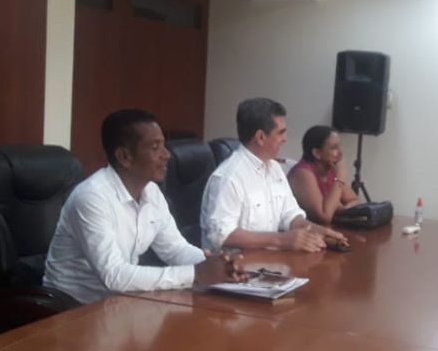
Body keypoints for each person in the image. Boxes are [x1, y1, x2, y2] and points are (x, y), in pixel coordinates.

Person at [44, 109, 244, 304]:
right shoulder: (92, 198)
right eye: (155, 147)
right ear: (125, 156)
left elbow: (174, 249)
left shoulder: (152, 192)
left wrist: (217, 263)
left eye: (164, 145)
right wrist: (196, 273)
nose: (167, 155)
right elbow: (114, 275)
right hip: (72, 307)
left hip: (120, 301)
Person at [201, 98, 347, 252]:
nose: (285, 139)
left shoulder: (275, 168)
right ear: (260, 137)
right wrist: (281, 240)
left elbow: (290, 215)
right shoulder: (228, 177)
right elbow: (221, 234)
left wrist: (314, 230)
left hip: (271, 261)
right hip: (235, 265)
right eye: (280, 133)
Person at [287, 125, 359, 224]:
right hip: (309, 231)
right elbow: (324, 217)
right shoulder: (302, 173)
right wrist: (340, 177)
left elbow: (354, 200)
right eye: (334, 148)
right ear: (317, 153)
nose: (341, 153)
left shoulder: (330, 170)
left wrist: (339, 209)